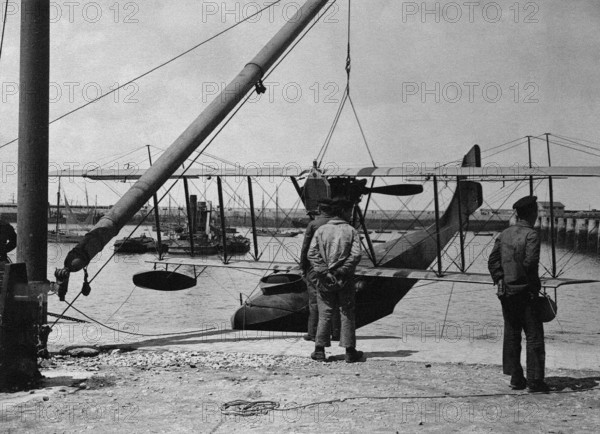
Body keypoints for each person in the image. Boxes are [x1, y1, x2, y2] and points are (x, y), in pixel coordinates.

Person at [488, 195, 549, 393]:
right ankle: (535, 381)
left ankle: (516, 379)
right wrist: (533, 286)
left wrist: (500, 279)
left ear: (517, 214)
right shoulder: (531, 235)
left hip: (506, 293)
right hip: (526, 294)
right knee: (534, 337)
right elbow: (530, 263)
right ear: (532, 214)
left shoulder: (504, 234)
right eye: (536, 212)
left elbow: (493, 261)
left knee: (512, 335)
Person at [308, 198, 363, 363]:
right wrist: (342, 271)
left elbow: (311, 253)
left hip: (325, 280)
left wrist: (325, 272)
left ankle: (319, 350)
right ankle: (349, 351)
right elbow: (356, 255)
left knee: (325, 313)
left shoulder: (321, 230)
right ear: (345, 212)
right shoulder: (351, 231)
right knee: (347, 312)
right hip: (345, 279)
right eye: (350, 210)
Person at [299, 198, 340, 342]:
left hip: (315, 267)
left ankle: (313, 333)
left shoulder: (314, 224)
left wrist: (303, 266)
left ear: (319, 209)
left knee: (315, 300)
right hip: (335, 267)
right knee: (333, 300)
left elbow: (306, 247)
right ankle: (336, 333)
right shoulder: (339, 224)